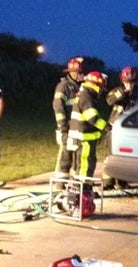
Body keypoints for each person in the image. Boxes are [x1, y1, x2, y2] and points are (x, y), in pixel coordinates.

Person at [101, 66, 138, 189]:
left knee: (126, 157)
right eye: (127, 82)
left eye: (132, 82)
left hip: (131, 130)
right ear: (122, 81)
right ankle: (108, 182)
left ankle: (122, 182)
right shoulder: (117, 90)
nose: (130, 85)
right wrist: (124, 92)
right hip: (115, 129)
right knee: (111, 156)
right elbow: (109, 100)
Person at [67, 71, 109, 178]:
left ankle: (82, 190)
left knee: (81, 165)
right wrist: (108, 127)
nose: (101, 91)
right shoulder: (86, 96)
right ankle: (82, 191)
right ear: (96, 84)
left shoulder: (85, 93)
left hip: (81, 137)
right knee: (85, 166)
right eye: (101, 86)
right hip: (84, 139)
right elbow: (92, 118)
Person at [52, 57, 83, 188]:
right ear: (74, 72)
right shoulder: (63, 86)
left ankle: (74, 183)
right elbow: (58, 106)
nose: (83, 74)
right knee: (65, 154)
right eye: (81, 72)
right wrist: (63, 125)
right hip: (66, 127)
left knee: (77, 155)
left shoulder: (81, 86)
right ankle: (60, 182)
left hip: (77, 127)